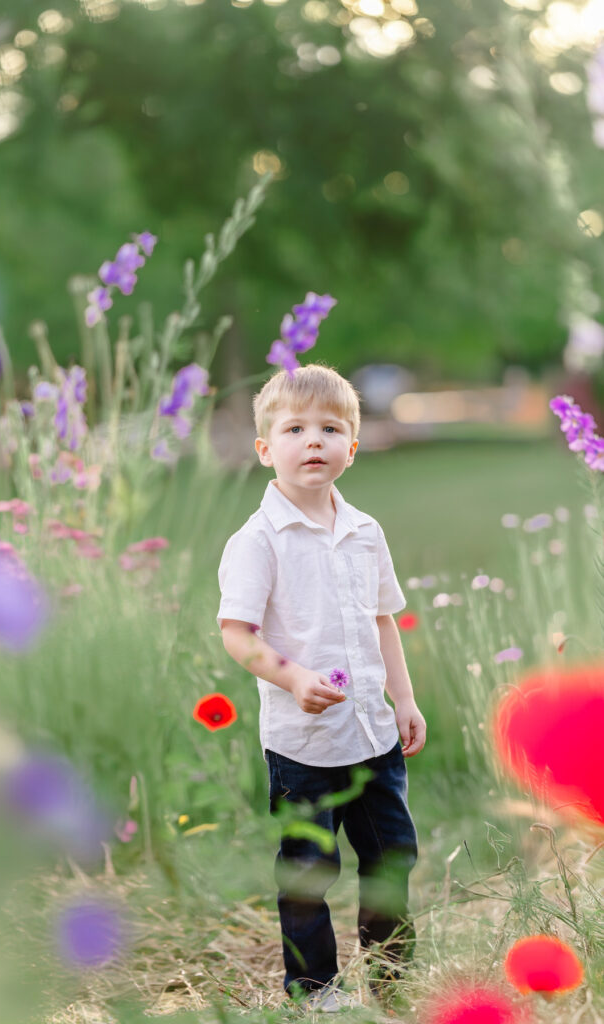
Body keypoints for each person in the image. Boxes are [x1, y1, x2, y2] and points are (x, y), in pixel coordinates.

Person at [217, 364, 426, 1012]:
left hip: (371, 732)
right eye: (295, 428)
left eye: (330, 428)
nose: (314, 440)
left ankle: (391, 973)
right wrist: (292, 676)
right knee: (309, 871)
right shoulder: (257, 541)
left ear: (351, 448)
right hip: (303, 745)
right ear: (264, 449)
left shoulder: (365, 532)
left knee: (391, 855)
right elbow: (237, 633)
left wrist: (404, 697)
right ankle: (314, 988)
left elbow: (381, 619)